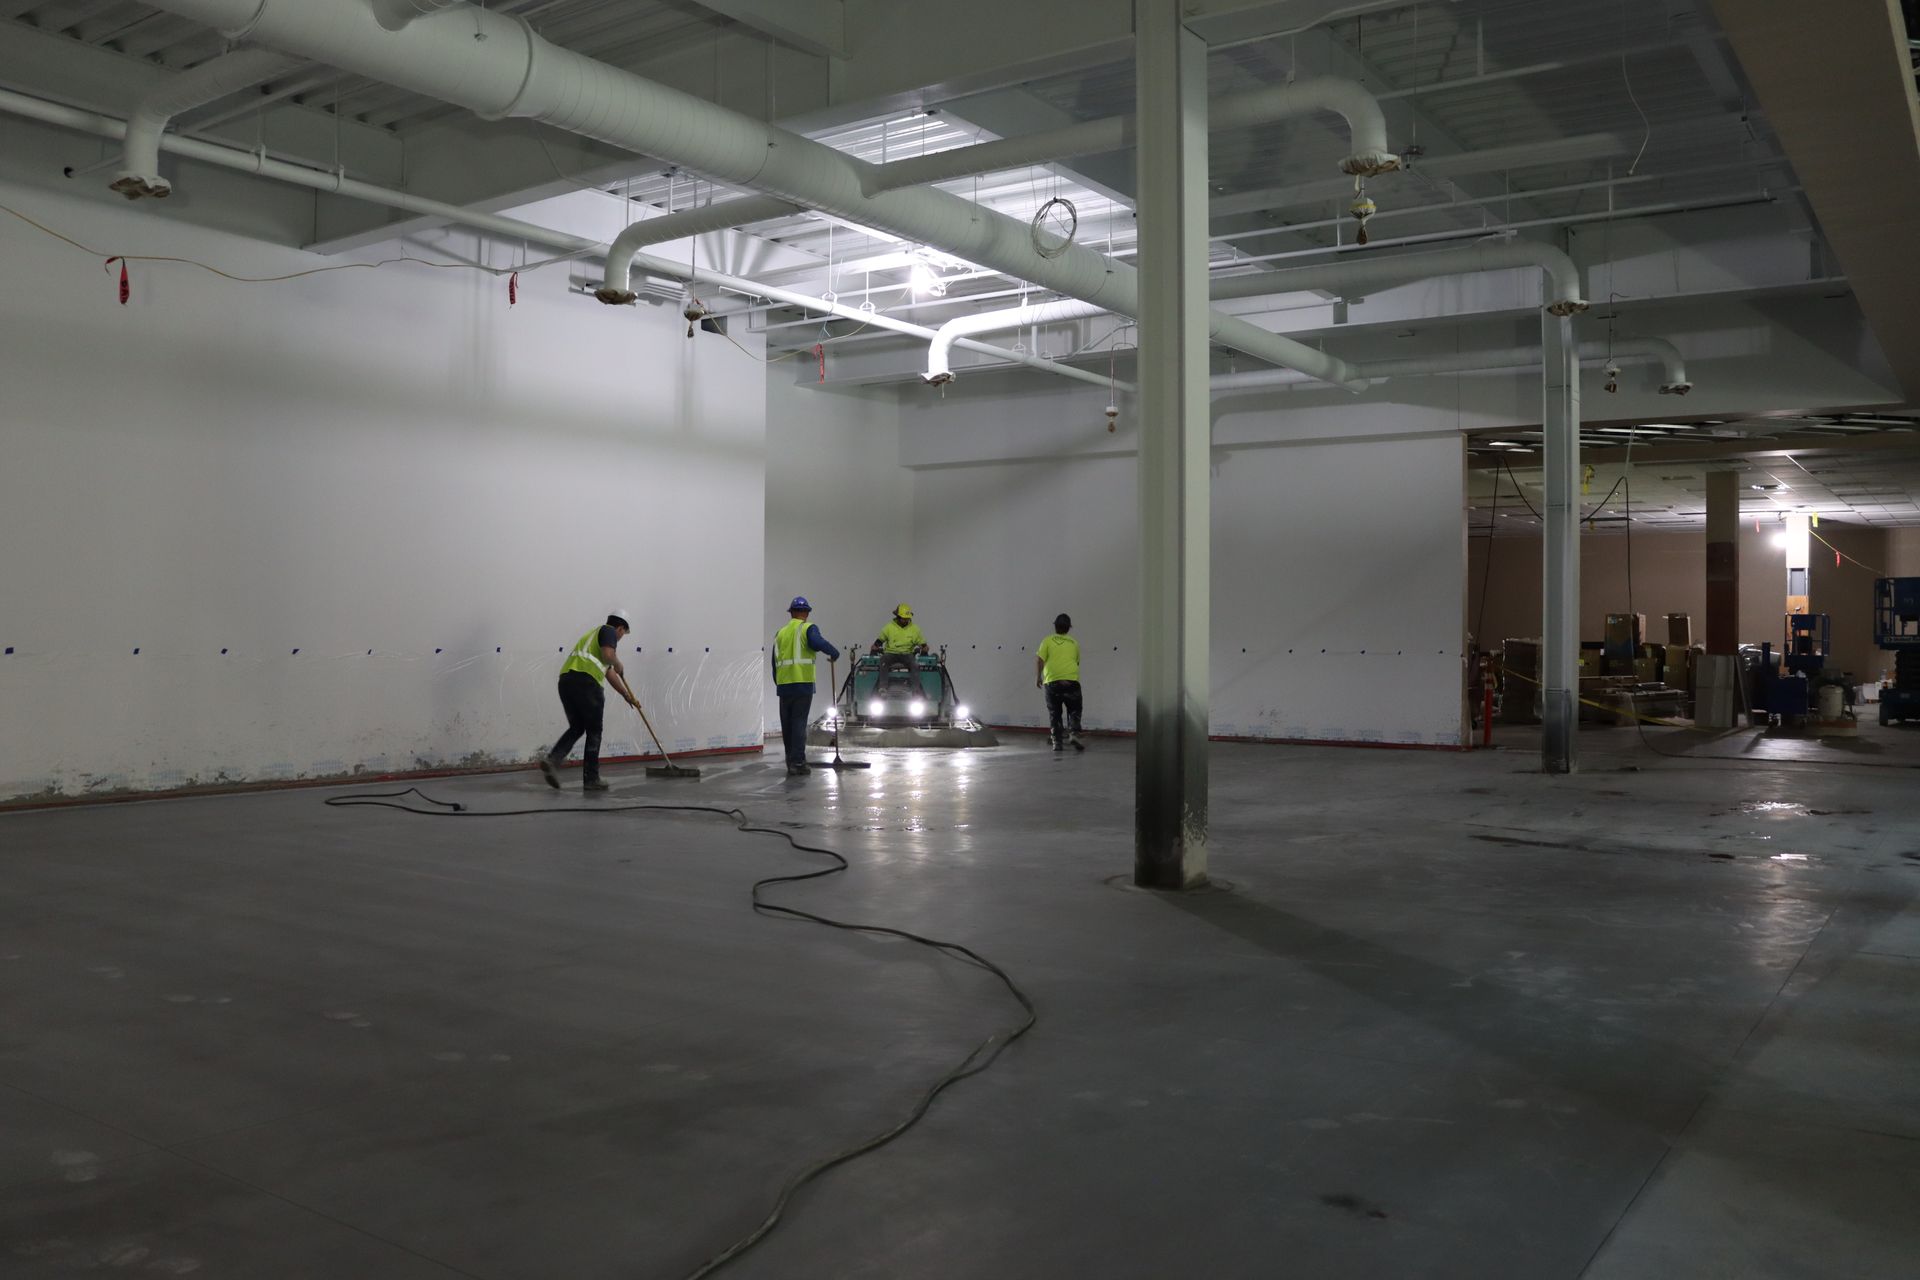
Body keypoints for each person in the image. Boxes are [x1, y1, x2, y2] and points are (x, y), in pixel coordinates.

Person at [542, 609, 642, 792]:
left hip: (567, 682)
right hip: (587, 683)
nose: (621, 637)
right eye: (623, 633)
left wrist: (626, 695)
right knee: (594, 731)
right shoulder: (609, 631)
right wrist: (619, 663)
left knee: (577, 727)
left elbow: (609, 672)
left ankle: (553, 760)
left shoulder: (593, 636)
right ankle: (591, 779)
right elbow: (609, 656)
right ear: (620, 628)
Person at [773, 596, 840, 777]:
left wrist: (779, 682)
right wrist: (834, 653)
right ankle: (798, 762)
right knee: (799, 723)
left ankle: (790, 761)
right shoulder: (808, 628)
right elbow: (818, 643)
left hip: (784, 686)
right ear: (807, 613)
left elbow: (774, 662)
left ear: (791, 613)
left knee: (787, 725)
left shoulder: (780, 633)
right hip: (802, 684)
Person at [1035, 613, 1084, 753]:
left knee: (1055, 712)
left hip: (1052, 682)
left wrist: (1038, 677)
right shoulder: (1074, 643)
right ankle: (1074, 734)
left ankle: (1057, 742)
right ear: (1069, 628)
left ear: (1055, 626)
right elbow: (1076, 662)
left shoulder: (1047, 640)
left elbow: (1039, 660)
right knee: (1074, 709)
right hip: (1071, 681)